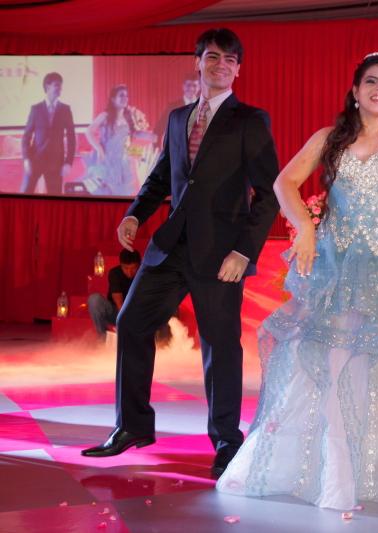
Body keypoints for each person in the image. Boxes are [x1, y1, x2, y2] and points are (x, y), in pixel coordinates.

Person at [216, 51, 378, 510]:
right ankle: (332, 474)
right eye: (371, 82)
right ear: (355, 91)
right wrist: (306, 228)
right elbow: (283, 183)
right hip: (337, 265)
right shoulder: (329, 138)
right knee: (329, 365)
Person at [81, 28, 281, 482]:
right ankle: (132, 426)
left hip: (221, 255)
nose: (221, 65)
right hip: (170, 247)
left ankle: (226, 440)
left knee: (220, 348)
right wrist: (135, 215)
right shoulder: (177, 119)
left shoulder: (250, 120)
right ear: (198, 63)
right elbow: (160, 178)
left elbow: (268, 194)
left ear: (238, 69)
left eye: (230, 60)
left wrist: (243, 251)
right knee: (132, 322)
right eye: (213, 57)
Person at [84, 85, 154, 196]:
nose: (125, 98)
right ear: (113, 99)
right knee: (107, 192)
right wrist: (99, 148)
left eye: (126, 96)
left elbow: (134, 133)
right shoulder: (105, 115)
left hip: (124, 159)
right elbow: (89, 131)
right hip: (108, 158)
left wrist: (153, 136)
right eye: (121, 95)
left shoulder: (128, 116)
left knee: (124, 192)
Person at [20, 72, 76, 195]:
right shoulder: (36, 109)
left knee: (55, 199)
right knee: (24, 195)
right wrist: (26, 159)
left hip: (56, 163)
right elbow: (26, 137)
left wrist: (68, 162)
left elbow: (72, 138)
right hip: (35, 159)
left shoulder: (65, 109)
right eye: (57, 85)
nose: (60, 88)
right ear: (47, 86)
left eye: (61, 85)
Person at [87, 249, 141, 339]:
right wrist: (123, 321)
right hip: (117, 311)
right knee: (94, 300)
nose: (129, 272)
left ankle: (157, 341)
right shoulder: (115, 273)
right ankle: (103, 339)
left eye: (133, 268)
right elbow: (118, 300)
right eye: (126, 268)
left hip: (139, 314)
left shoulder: (145, 275)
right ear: (121, 265)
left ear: (139, 265)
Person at [154, 75, 200, 145]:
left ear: (199, 87)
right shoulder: (172, 107)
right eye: (188, 85)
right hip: (177, 145)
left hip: (198, 145)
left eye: (194, 85)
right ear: (183, 86)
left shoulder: (204, 106)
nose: (191, 88)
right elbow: (160, 127)